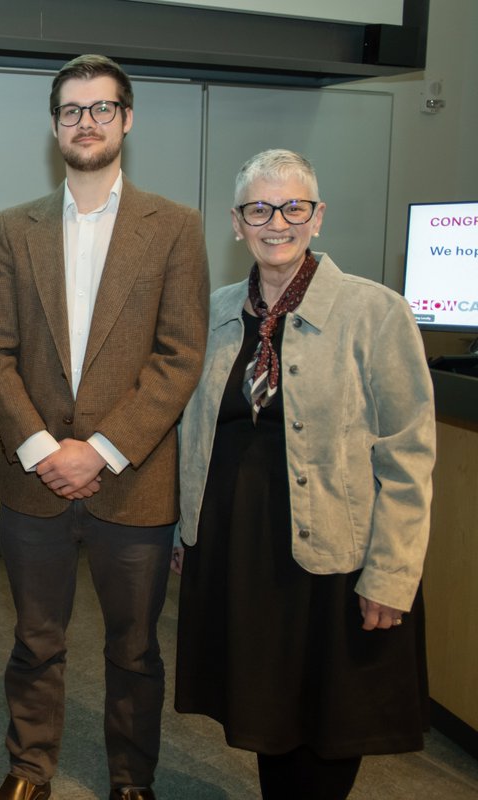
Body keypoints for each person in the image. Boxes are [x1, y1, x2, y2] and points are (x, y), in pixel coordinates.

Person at [0, 54, 210, 800]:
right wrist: (46, 451)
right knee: (35, 641)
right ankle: (29, 767)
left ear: (126, 119)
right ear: (54, 124)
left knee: (136, 649)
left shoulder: (174, 227)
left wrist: (100, 452)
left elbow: (180, 356)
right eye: (72, 110)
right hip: (33, 480)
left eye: (102, 109)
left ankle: (131, 778)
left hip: (133, 483)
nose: (86, 122)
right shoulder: (15, 228)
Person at [173, 148, 434, 799]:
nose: (277, 221)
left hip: (334, 558)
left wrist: (393, 574)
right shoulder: (217, 311)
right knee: (266, 715)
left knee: (329, 719)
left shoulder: (375, 312)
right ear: (237, 223)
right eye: (259, 208)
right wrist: (187, 529)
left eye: (293, 207)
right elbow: (194, 431)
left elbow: (408, 453)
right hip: (242, 554)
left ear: (318, 217)